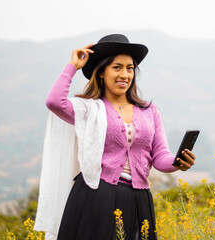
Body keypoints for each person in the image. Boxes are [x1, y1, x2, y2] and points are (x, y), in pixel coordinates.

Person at [35, 34, 196, 240]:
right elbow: (54, 102)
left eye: (130, 68)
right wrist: (72, 67)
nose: (125, 74)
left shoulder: (149, 111)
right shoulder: (89, 109)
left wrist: (177, 163)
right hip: (96, 196)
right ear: (101, 72)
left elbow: (160, 156)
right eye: (117, 67)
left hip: (139, 199)